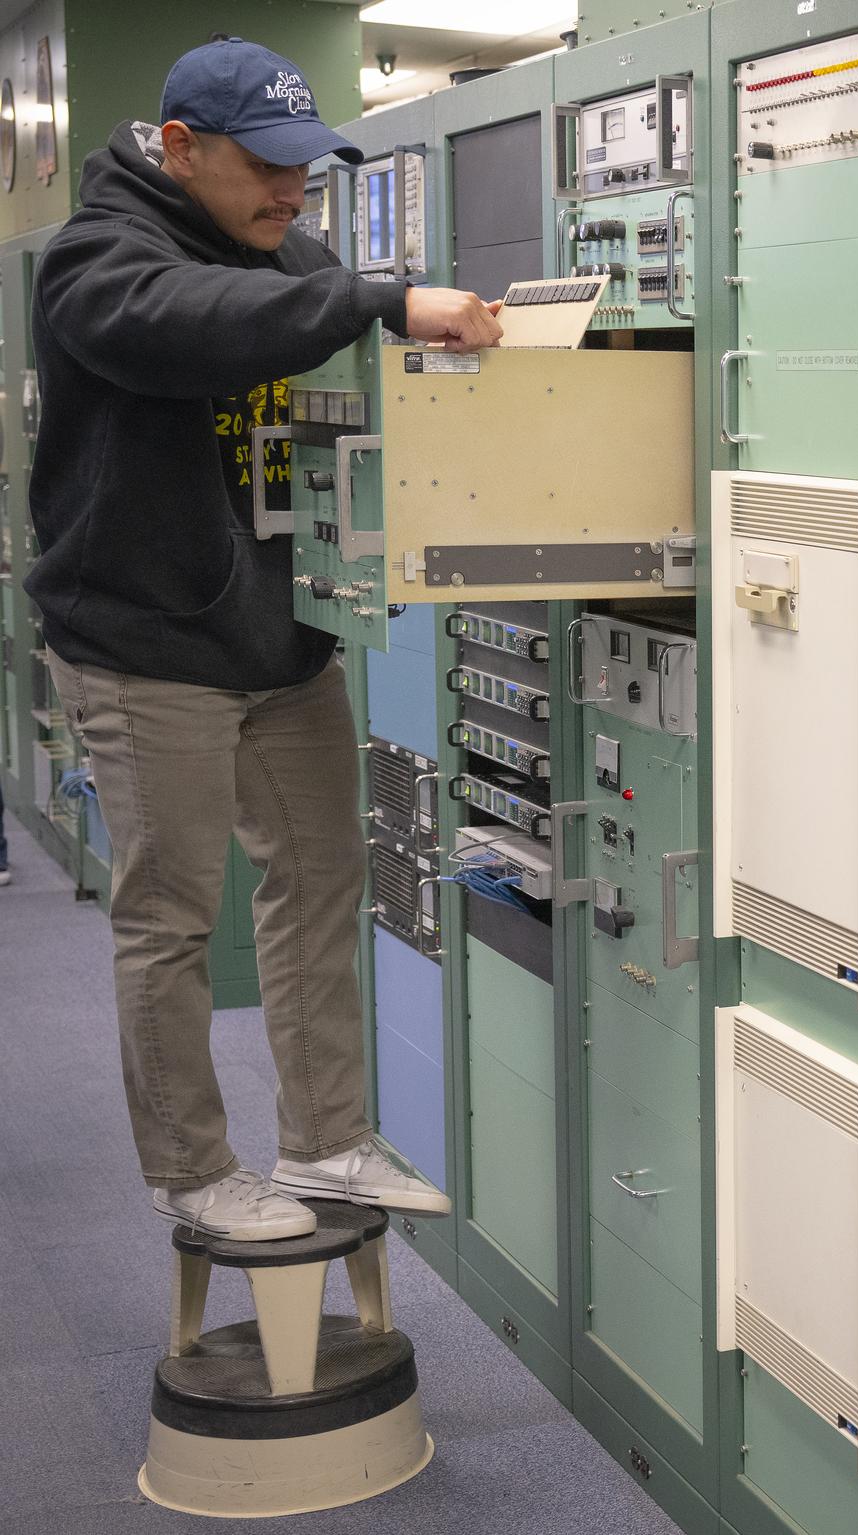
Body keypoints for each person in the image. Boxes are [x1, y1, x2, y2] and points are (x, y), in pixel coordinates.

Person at [26, 39, 503, 1239]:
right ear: (183, 151)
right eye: (268, 166)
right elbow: (189, 322)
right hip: (144, 640)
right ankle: (190, 1167)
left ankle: (326, 1140)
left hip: (278, 640)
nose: (293, 192)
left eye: (306, 167)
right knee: (172, 919)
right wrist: (382, 297)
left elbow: (323, 352)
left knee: (323, 878)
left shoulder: (291, 253)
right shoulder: (99, 255)